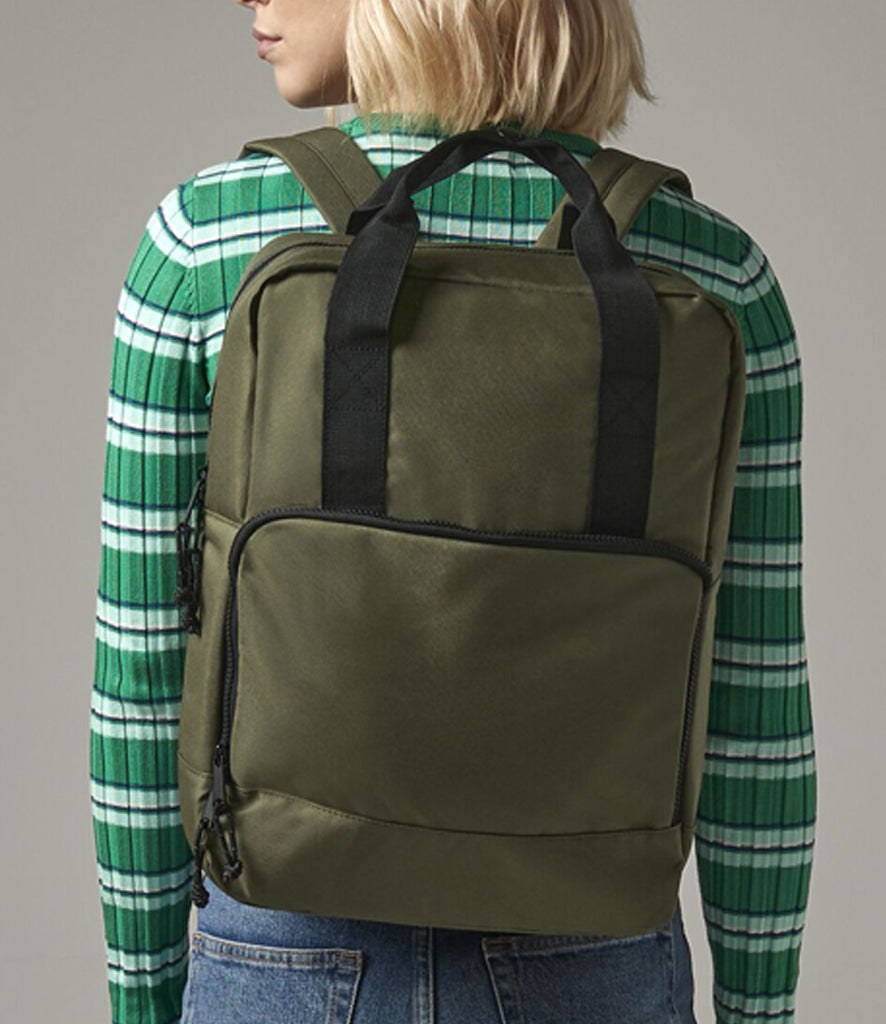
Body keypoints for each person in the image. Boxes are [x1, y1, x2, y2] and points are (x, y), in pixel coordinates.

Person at [90, 1, 816, 1022]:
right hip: (593, 964)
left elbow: (139, 688)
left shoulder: (202, 242)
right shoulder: (715, 274)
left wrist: (142, 998)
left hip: (279, 953)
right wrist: (759, 1010)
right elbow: (755, 714)